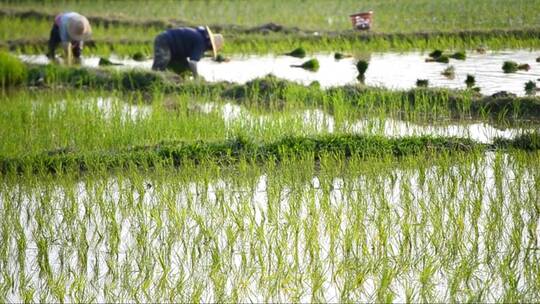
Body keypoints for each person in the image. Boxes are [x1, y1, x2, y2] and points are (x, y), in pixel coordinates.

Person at [152, 26, 224, 78]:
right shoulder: (201, 43)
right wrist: (196, 77)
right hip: (165, 41)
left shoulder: (200, 35)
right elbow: (192, 62)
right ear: (210, 44)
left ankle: (175, 80)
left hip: (175, 49)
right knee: (159, 68)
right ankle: (150, 80)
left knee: (184, 70)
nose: (209, 50)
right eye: (211, 49)